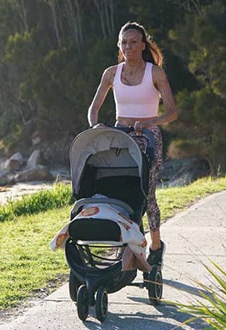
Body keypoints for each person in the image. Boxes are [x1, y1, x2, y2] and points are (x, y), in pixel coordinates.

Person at [87, 21, 178, 269]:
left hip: (148, 138)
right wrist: (96, 128)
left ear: (143, 45)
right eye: (124, 42)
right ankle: (129, 245)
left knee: (147, 195)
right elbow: (94, 109)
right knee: (120, 190)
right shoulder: (111, 73)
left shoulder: (155, 73)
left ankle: (156, 247)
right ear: (120, 45)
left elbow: (171, 112)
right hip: (120, 137)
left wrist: (149, 121)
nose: (128, 46)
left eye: (133, 42)